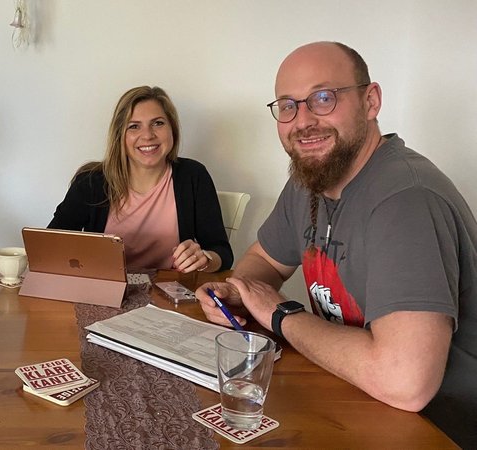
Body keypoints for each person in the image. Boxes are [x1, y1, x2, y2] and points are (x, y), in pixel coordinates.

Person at [196, 41, 477, 446]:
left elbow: (406, 383)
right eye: (287, 106)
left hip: (440, 429)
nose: (302, 121)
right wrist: (238, 292)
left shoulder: (406, 200)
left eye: (323, 98)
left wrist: (280, 315)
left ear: (371, 100)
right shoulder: (309, 179)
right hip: (353, 395)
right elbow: (264, 261)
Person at [48, 86, 233, 273]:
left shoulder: (193, 176)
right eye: (134, 126)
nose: (148, 135)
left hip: (171, 294)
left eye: (158, 123)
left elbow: (222, 253)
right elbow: (50, 246)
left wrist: (205, 259)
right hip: (103, 292)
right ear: (120, 135)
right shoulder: (91, 182)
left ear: (172, 129)